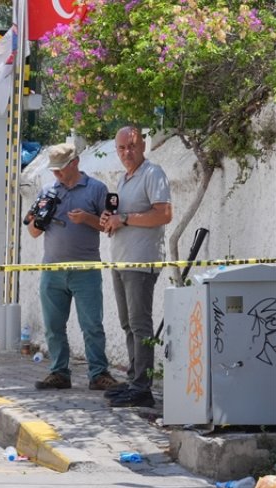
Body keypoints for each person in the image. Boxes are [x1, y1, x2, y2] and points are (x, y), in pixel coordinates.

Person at [26, 143, 121, 393]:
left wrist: (87, 219)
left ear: (75, 162)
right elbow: (33, 232)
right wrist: (39, 220)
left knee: (92, 324)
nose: (56, 174)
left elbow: (109, 226)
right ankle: (59, 372)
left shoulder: (96, 189)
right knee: (54, 326)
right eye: (53, 170)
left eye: (60, 169)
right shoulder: (47, 191)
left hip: (85, 269)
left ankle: (98, 373)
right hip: (52, 270)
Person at [100, 126, 173, 408]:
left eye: (131, 146)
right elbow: (123, 218)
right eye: (121, 148)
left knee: (140, 325)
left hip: (141, 262)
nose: (126, 152)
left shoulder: (153, 173)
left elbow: (164, 214)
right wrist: (111, 219)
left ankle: (143, 388)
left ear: (142, 146)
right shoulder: (124, 178)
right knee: (128, 324)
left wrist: (126, 218)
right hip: (121, 259)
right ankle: (133, 382)